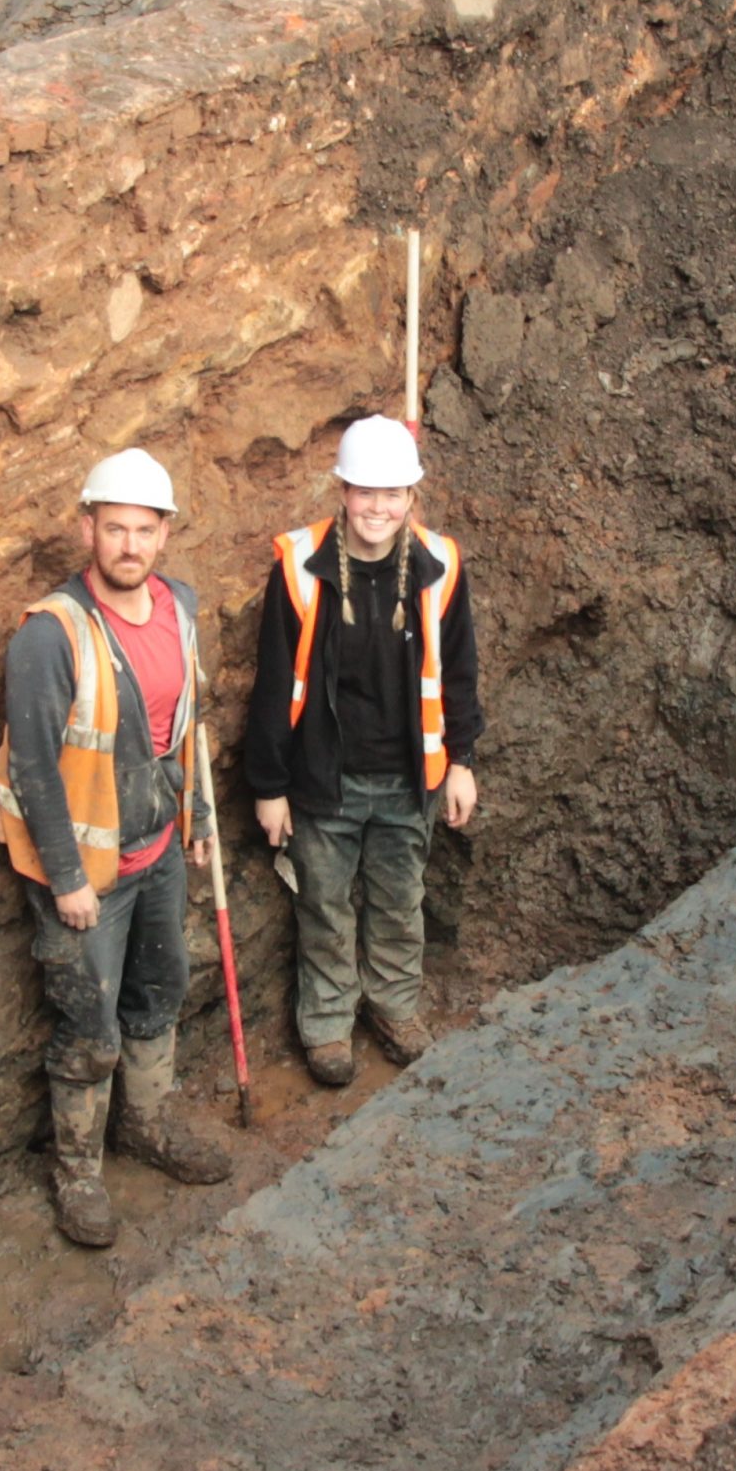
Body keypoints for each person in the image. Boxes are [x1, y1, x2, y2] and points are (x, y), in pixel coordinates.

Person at [0, 447, 231, 1247]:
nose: (129, 545)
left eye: (144, 530)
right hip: (87, 875)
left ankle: (147, 1123)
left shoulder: (180, 608)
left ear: (164, 534)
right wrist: (65, 878)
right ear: (88, 528)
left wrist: (196, 816)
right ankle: (79, 1168)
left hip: (159, 848)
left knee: (158, 993)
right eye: (114, 529)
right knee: (89, 1027)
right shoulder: (49, 635)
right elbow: (32, 766)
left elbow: (187, 725)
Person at [244, 415, 483, 1087]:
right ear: (342, 489)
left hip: (411, 778)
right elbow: (272, 684)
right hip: (325, 777)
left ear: (411, 496)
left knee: (400, 899)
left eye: (393, 494)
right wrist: (268, 786)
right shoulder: (299, 569)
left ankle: (394, 1005)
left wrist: (460, 759)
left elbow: (459, 669)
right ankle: (325, 1024)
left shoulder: (439, 566)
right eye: (364, 492)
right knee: (323, 904)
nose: (378, 508)